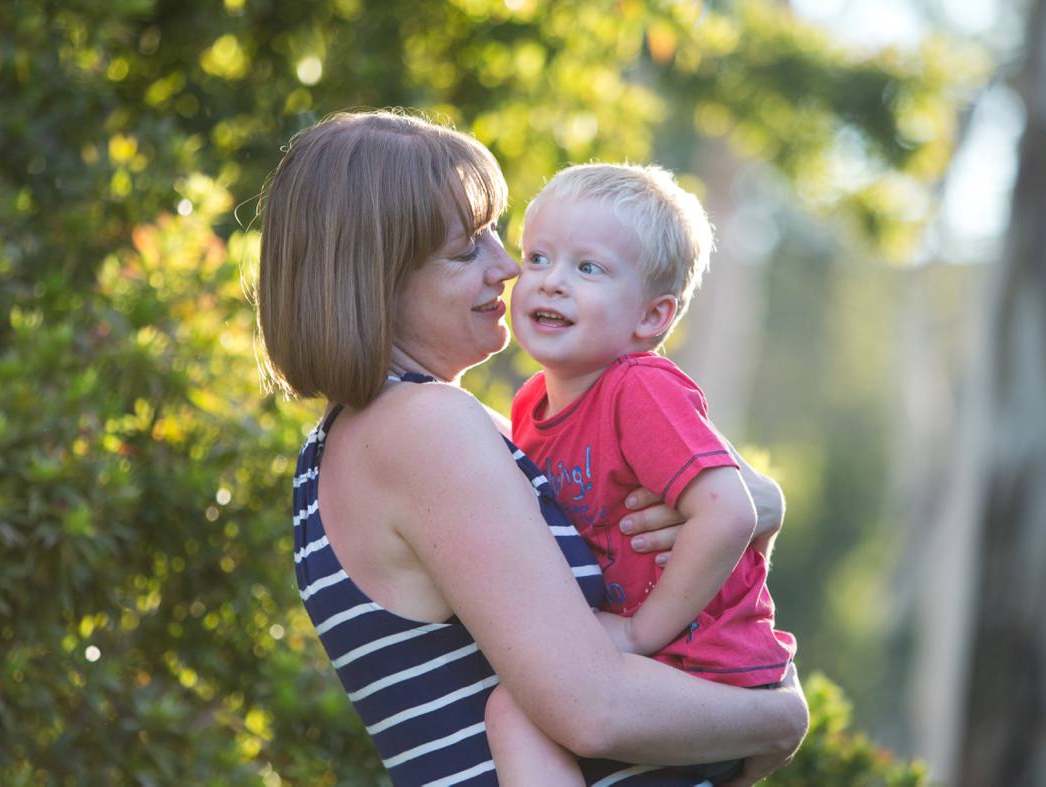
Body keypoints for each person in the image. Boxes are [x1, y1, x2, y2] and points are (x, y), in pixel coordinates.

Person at [256, 109, 807, 786]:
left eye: (496, 234)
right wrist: (780, 719)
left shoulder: (394, 434)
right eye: (468, 250)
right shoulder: (424, 428)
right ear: (376, 279)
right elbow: (593, 708)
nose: (508, 265)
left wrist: (758, 498)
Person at [487, 163, 798, 786]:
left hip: (703, 670)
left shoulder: (640, 389)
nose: (550, 283)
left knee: (517, 708)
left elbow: (731, 511)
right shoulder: (528, 406)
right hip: (653, 673)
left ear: (653, 318)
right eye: (539, 257)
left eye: (588, 268)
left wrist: (637, 632)